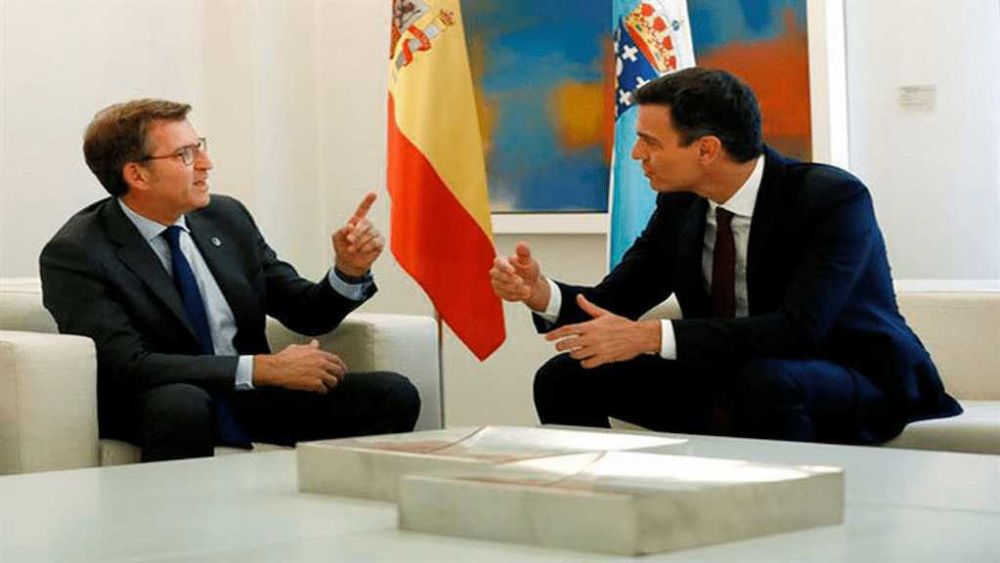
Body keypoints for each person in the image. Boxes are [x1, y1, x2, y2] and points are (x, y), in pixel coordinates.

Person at [490, 68, 960, 444]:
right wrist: (541, 294)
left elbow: (800, 329)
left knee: (765, 383)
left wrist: (650, 337)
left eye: (650, 142)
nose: (635, 155)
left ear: (707, 149)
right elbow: (615, 305)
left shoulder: (831, 198)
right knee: (565, 377)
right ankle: (602, 509)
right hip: (738, 376)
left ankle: (777, 523)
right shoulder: (680, 205)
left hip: (853, 375)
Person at [40, 99, 420, 461]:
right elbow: (128, 364)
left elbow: (305, 313)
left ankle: (337, 504)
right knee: (183, 402)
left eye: (200, 147)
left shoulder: (226, 217)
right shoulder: (78, 252)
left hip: (250, 394)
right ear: (137, 174)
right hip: (159, 400)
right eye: (184, 154)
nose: (206, 164)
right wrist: (260, 368)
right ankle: (179, 511)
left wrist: (348, 270)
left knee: (393, 393)